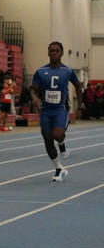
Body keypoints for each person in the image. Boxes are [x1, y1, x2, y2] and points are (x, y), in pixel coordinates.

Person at [31, 41, 83, 182]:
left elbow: (78, 86)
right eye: (52, 50)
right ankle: (59, 168)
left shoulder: (67, 71)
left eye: (57, 50)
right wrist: (35, 98)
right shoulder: (40, 71)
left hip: (61, 109)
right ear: (48, 53)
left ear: (62, 53)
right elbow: (34, 90)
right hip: (45, 110)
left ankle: (62, 142)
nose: (54, 53)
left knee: (57, 134)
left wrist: (79, 107)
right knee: (48, 140)